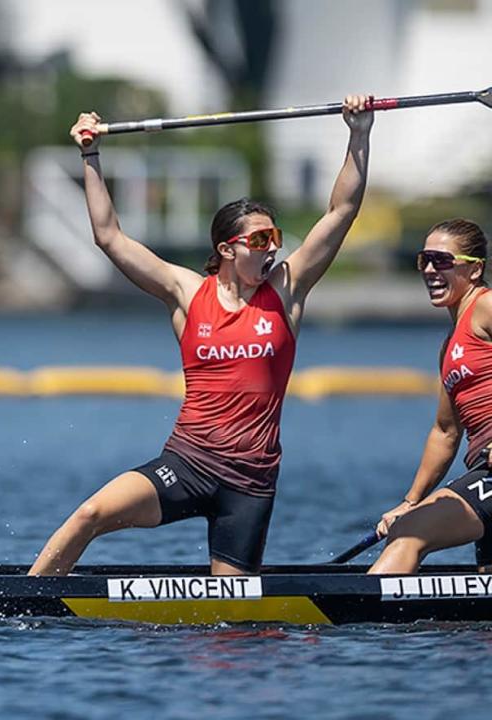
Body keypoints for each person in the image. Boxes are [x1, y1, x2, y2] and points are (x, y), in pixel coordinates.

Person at [29, 97, 374, 576]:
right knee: (89, 515)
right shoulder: (187, 292)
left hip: (250, 484)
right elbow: (109, 237)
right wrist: (90, 156)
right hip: (188, 465)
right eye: (259, 240)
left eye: (274, 237)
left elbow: (341, 212)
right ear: (227, 248)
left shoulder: (287, 291)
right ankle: (33, 597)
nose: (272, 248)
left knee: (232, 629)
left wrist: (359, 133)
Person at [369, 220, 492, 574]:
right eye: (424, 259)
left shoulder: (484, 309)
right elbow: (445, 433)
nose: (428, 269)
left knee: (409, 534)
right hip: (483, 469)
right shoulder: (449, 347)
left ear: (475, 269)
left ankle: (367, 625)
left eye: (441, 260)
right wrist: (410, 501)